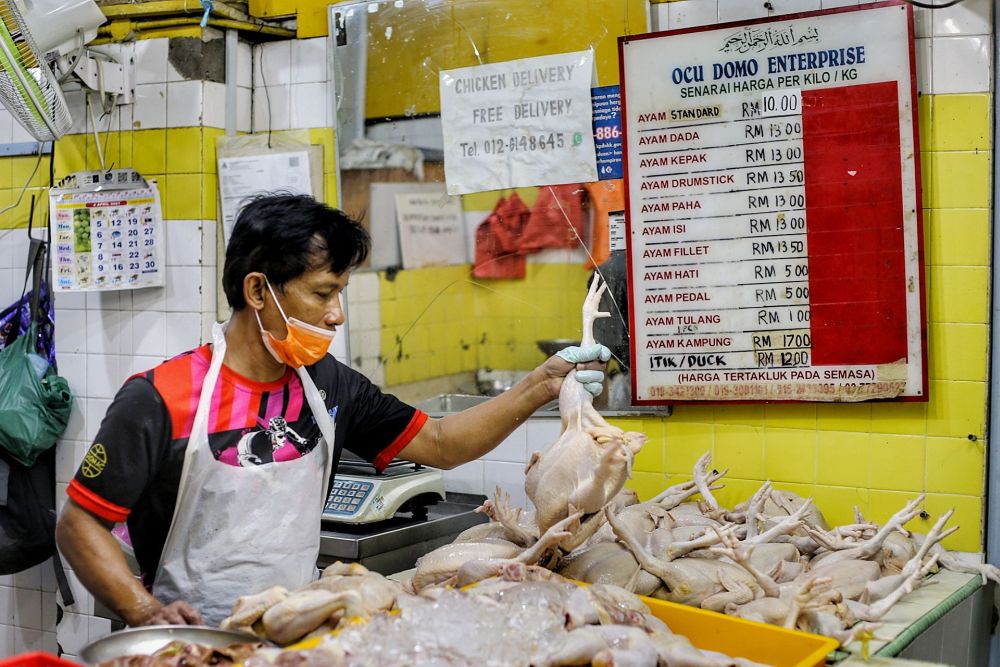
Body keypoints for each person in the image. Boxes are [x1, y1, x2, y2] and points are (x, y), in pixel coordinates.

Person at [55, 194, 610, 627]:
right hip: (195, 639)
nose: (337, 315)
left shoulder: (329, 387)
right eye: (323, 293)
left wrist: (540, 384)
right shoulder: (160, 396)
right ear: (257, 291)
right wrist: (145, 612)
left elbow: (441, 443)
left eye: (341, 292)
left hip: (297, 629)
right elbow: (80, 523)